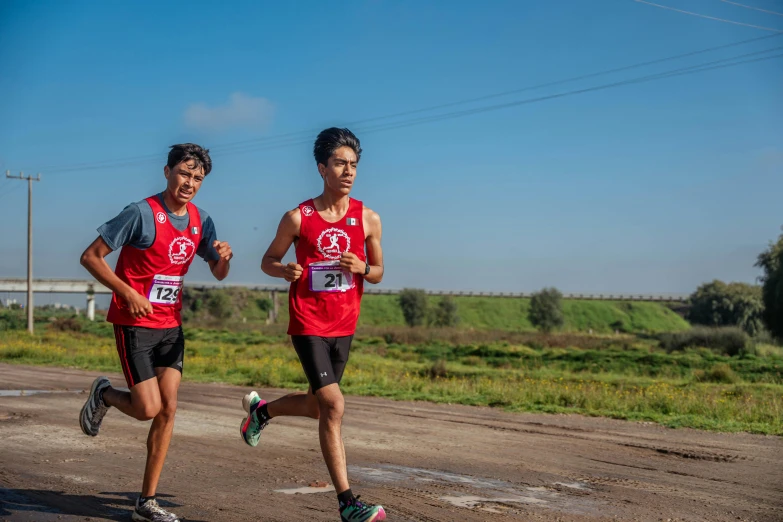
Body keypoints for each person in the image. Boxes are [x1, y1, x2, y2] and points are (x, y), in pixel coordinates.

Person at [78, 143, 233, 522]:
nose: (190, 183)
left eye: (198, 178)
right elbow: (90, 256)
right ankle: (105, 394)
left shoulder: (201, 220)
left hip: (171, 326)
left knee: (169, 408)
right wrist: (127, 292)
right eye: (184, 173)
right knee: (148, 408)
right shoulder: (141, 213)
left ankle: (146, 502)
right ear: (167, 172)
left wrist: (225, 259)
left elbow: (217, 271)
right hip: (134, 325)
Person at [241, 128, 386, 522]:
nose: (348, 171)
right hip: (307, 322)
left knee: (320, 407)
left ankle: (262, 413)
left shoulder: (368, 218)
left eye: (354, 165)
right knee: (334, 405)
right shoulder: (298, 218)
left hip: (344, 325)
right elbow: (267, 260)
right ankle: (348, 504)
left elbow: (379, 273)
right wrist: (283, 269)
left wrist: (364, 267)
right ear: (322, 168)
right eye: (340, 163)